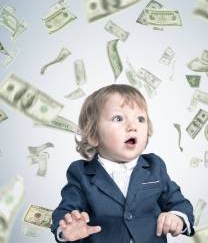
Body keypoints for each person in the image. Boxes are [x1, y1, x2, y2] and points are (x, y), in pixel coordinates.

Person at [51, 84, 195, 243]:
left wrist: (177, 217)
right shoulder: (80, 173)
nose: (133, 127)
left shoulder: (155, 166)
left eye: (140, 119)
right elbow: (65, 210)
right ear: (93, 135)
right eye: (118, 118)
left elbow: (180, 203)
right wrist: (67, 229)